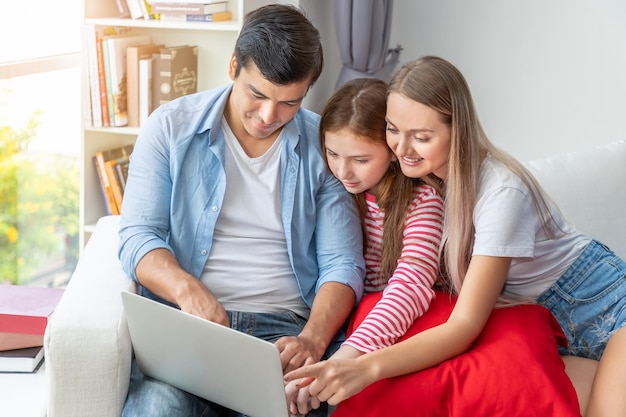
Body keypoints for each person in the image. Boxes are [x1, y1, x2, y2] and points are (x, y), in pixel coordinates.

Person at [285, 56, 626, 417]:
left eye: (421, 137)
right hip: (556, 329)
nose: (401, 148)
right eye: (392, 129)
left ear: (457, 129)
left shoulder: (501, 192)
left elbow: (463, 325)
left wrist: (364, 367)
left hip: (607, 308)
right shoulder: (426, 182)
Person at [117, 4, 365, 417]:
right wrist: (188, 292)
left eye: (289, 103)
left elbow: (342, 263)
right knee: (158, 409)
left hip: (285, 334)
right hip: (187, 325)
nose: (269, 116)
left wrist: (314, 339)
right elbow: (138, 236)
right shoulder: (169, 128)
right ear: (234, 65)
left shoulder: (325, 148)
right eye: (258, 93)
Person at [286, 78, 444, 415]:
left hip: (397, 319)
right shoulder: (338, 189)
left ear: (392, 151)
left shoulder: (423, 203)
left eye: (360, 159)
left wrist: (349, 355)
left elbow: (410, 287)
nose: (343, 171)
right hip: (348, 320)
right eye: (332, 153)